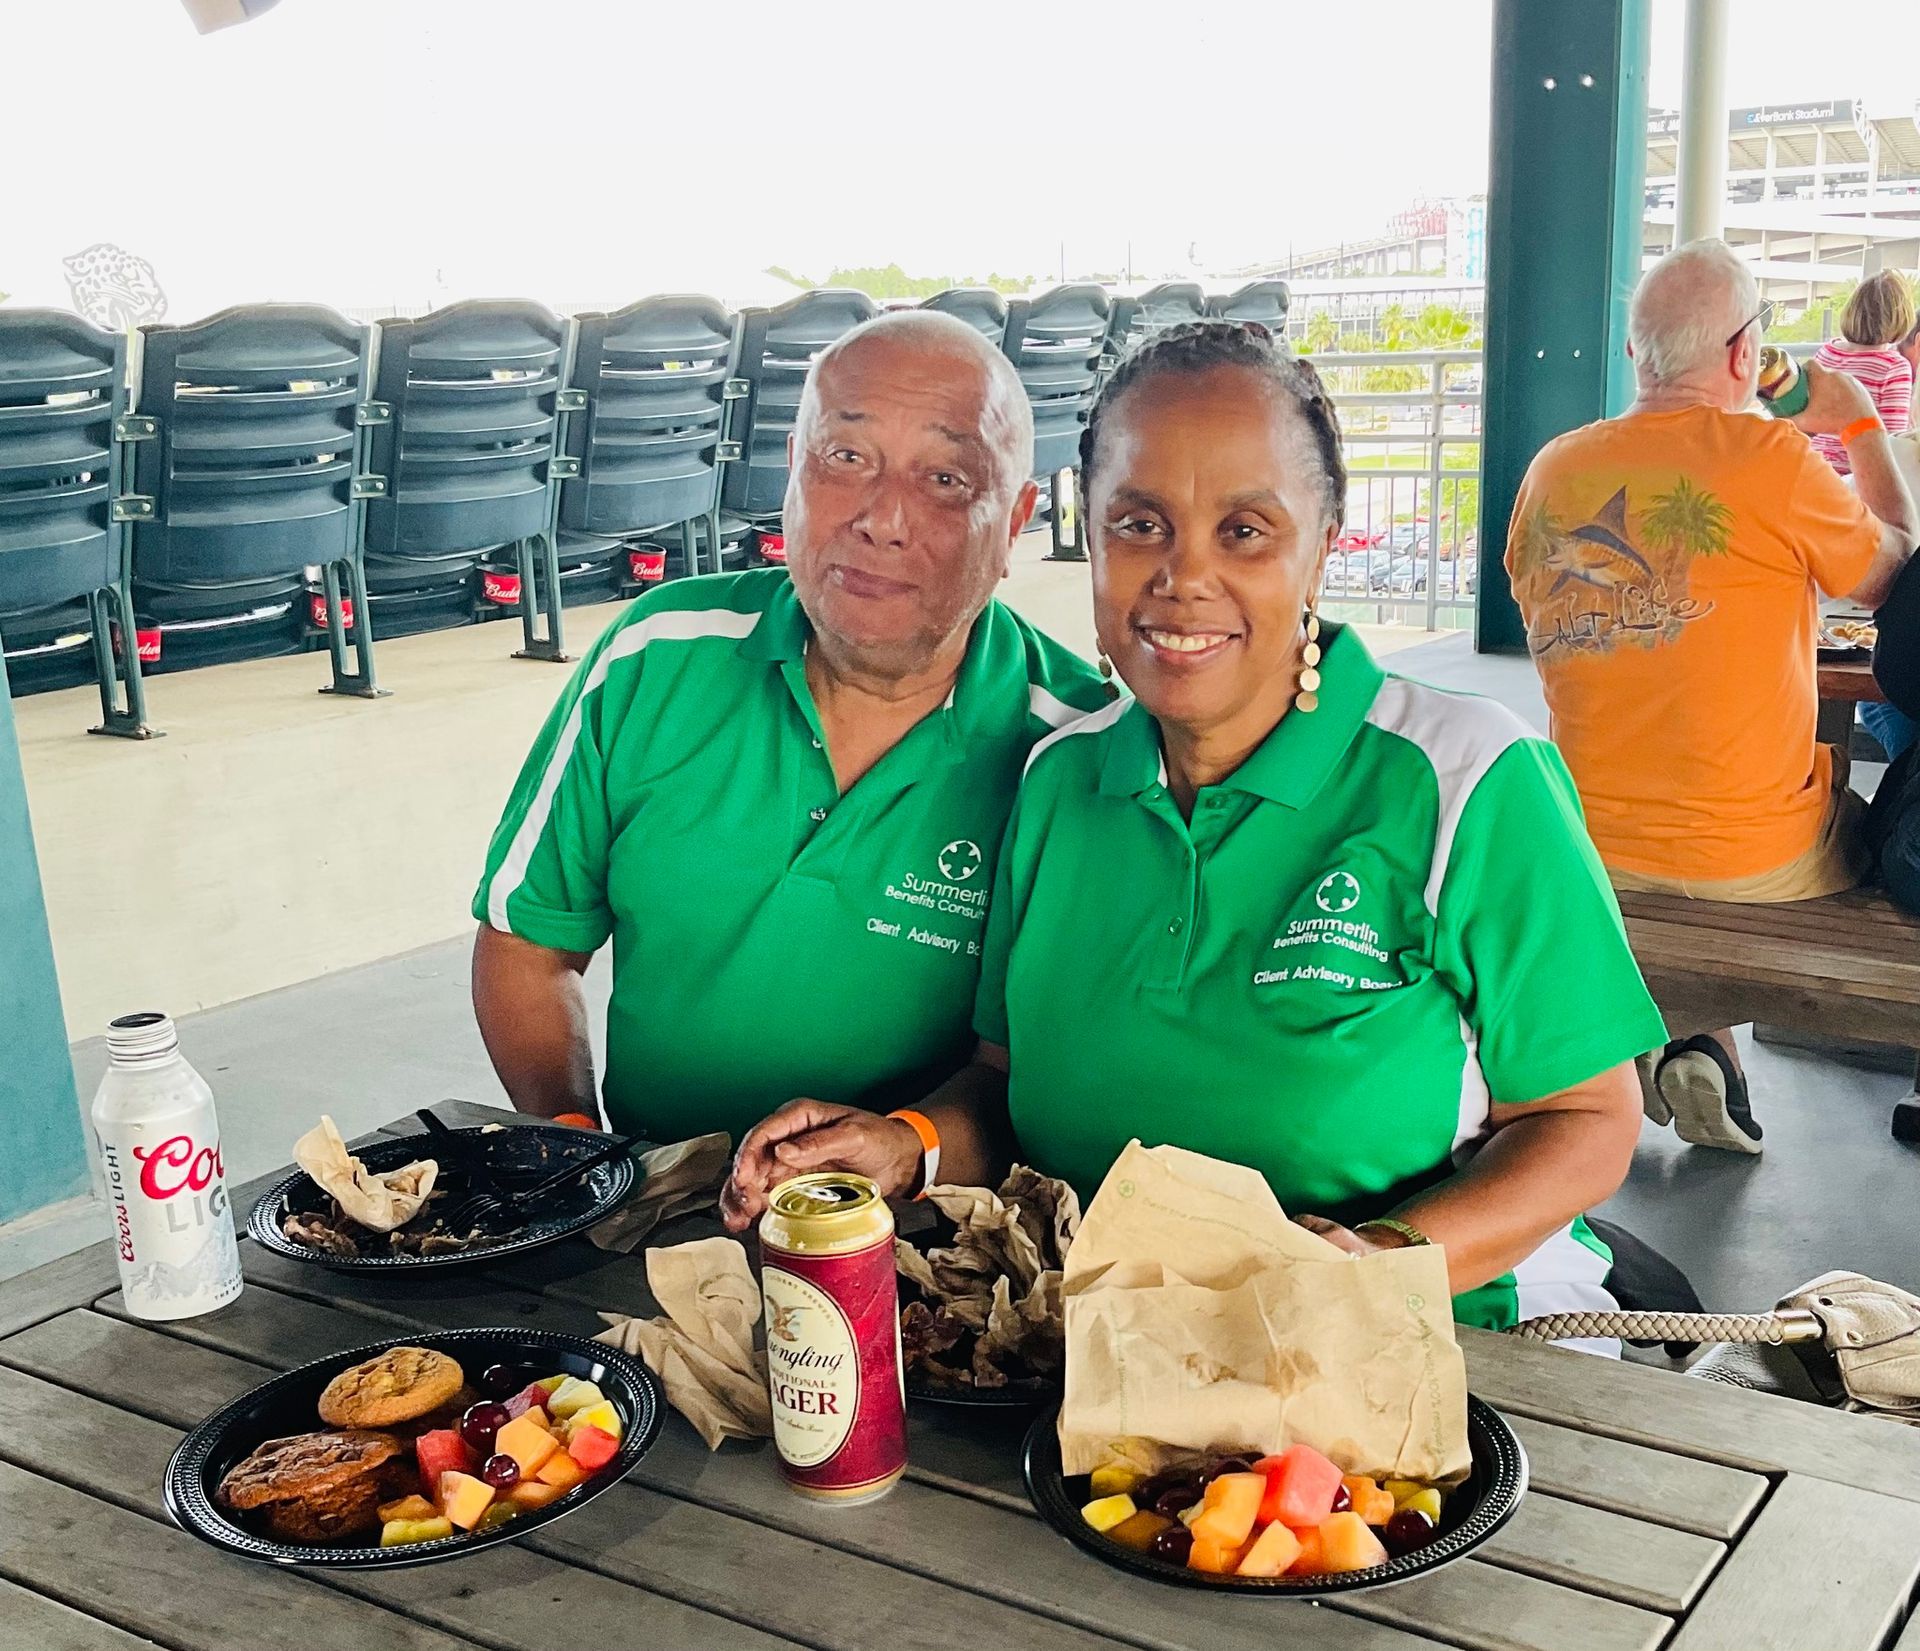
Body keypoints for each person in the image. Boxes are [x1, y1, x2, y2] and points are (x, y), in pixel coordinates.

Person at [726, 321, 1670, 1346]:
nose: (1183, 577)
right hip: (1100, 1347)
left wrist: (1380, 1264)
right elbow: (1004, 1084)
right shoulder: (1056, 779)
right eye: (1139, 523)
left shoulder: (1467, 778)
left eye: (1245, 531)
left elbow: (1585, 1122)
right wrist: (906, 1144)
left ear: (1323, 542)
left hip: (1435, 1348)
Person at [470, 311, 1109, 1142]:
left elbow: (1030, 1065)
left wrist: (906, 1146)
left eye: (946, 479)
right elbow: (529, 943)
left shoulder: (1072, 748)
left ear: (1016, 519)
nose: (883, 517)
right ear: (791, 471)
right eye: (846, 458)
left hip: (924, 1228)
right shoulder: (654, 656)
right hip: (646, 1203)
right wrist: (574, 1140)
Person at [1504, 240, 1918, 1154]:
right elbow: (1899, 572)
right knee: (1839, 805)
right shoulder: (1772, 456)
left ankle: (1696, 1039)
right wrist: (1855, 427)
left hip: (1585, 845)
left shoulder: (1553, 470)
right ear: (1744, 356)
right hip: (1752, 865)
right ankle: (1700, 1035)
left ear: (1633, 359)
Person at [1808, 272, 1914, 477]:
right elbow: (1892, 445)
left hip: (1814, 468)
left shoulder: (1826, 352)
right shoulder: (1893, 366)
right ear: (1900, 318)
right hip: (1855, 477)